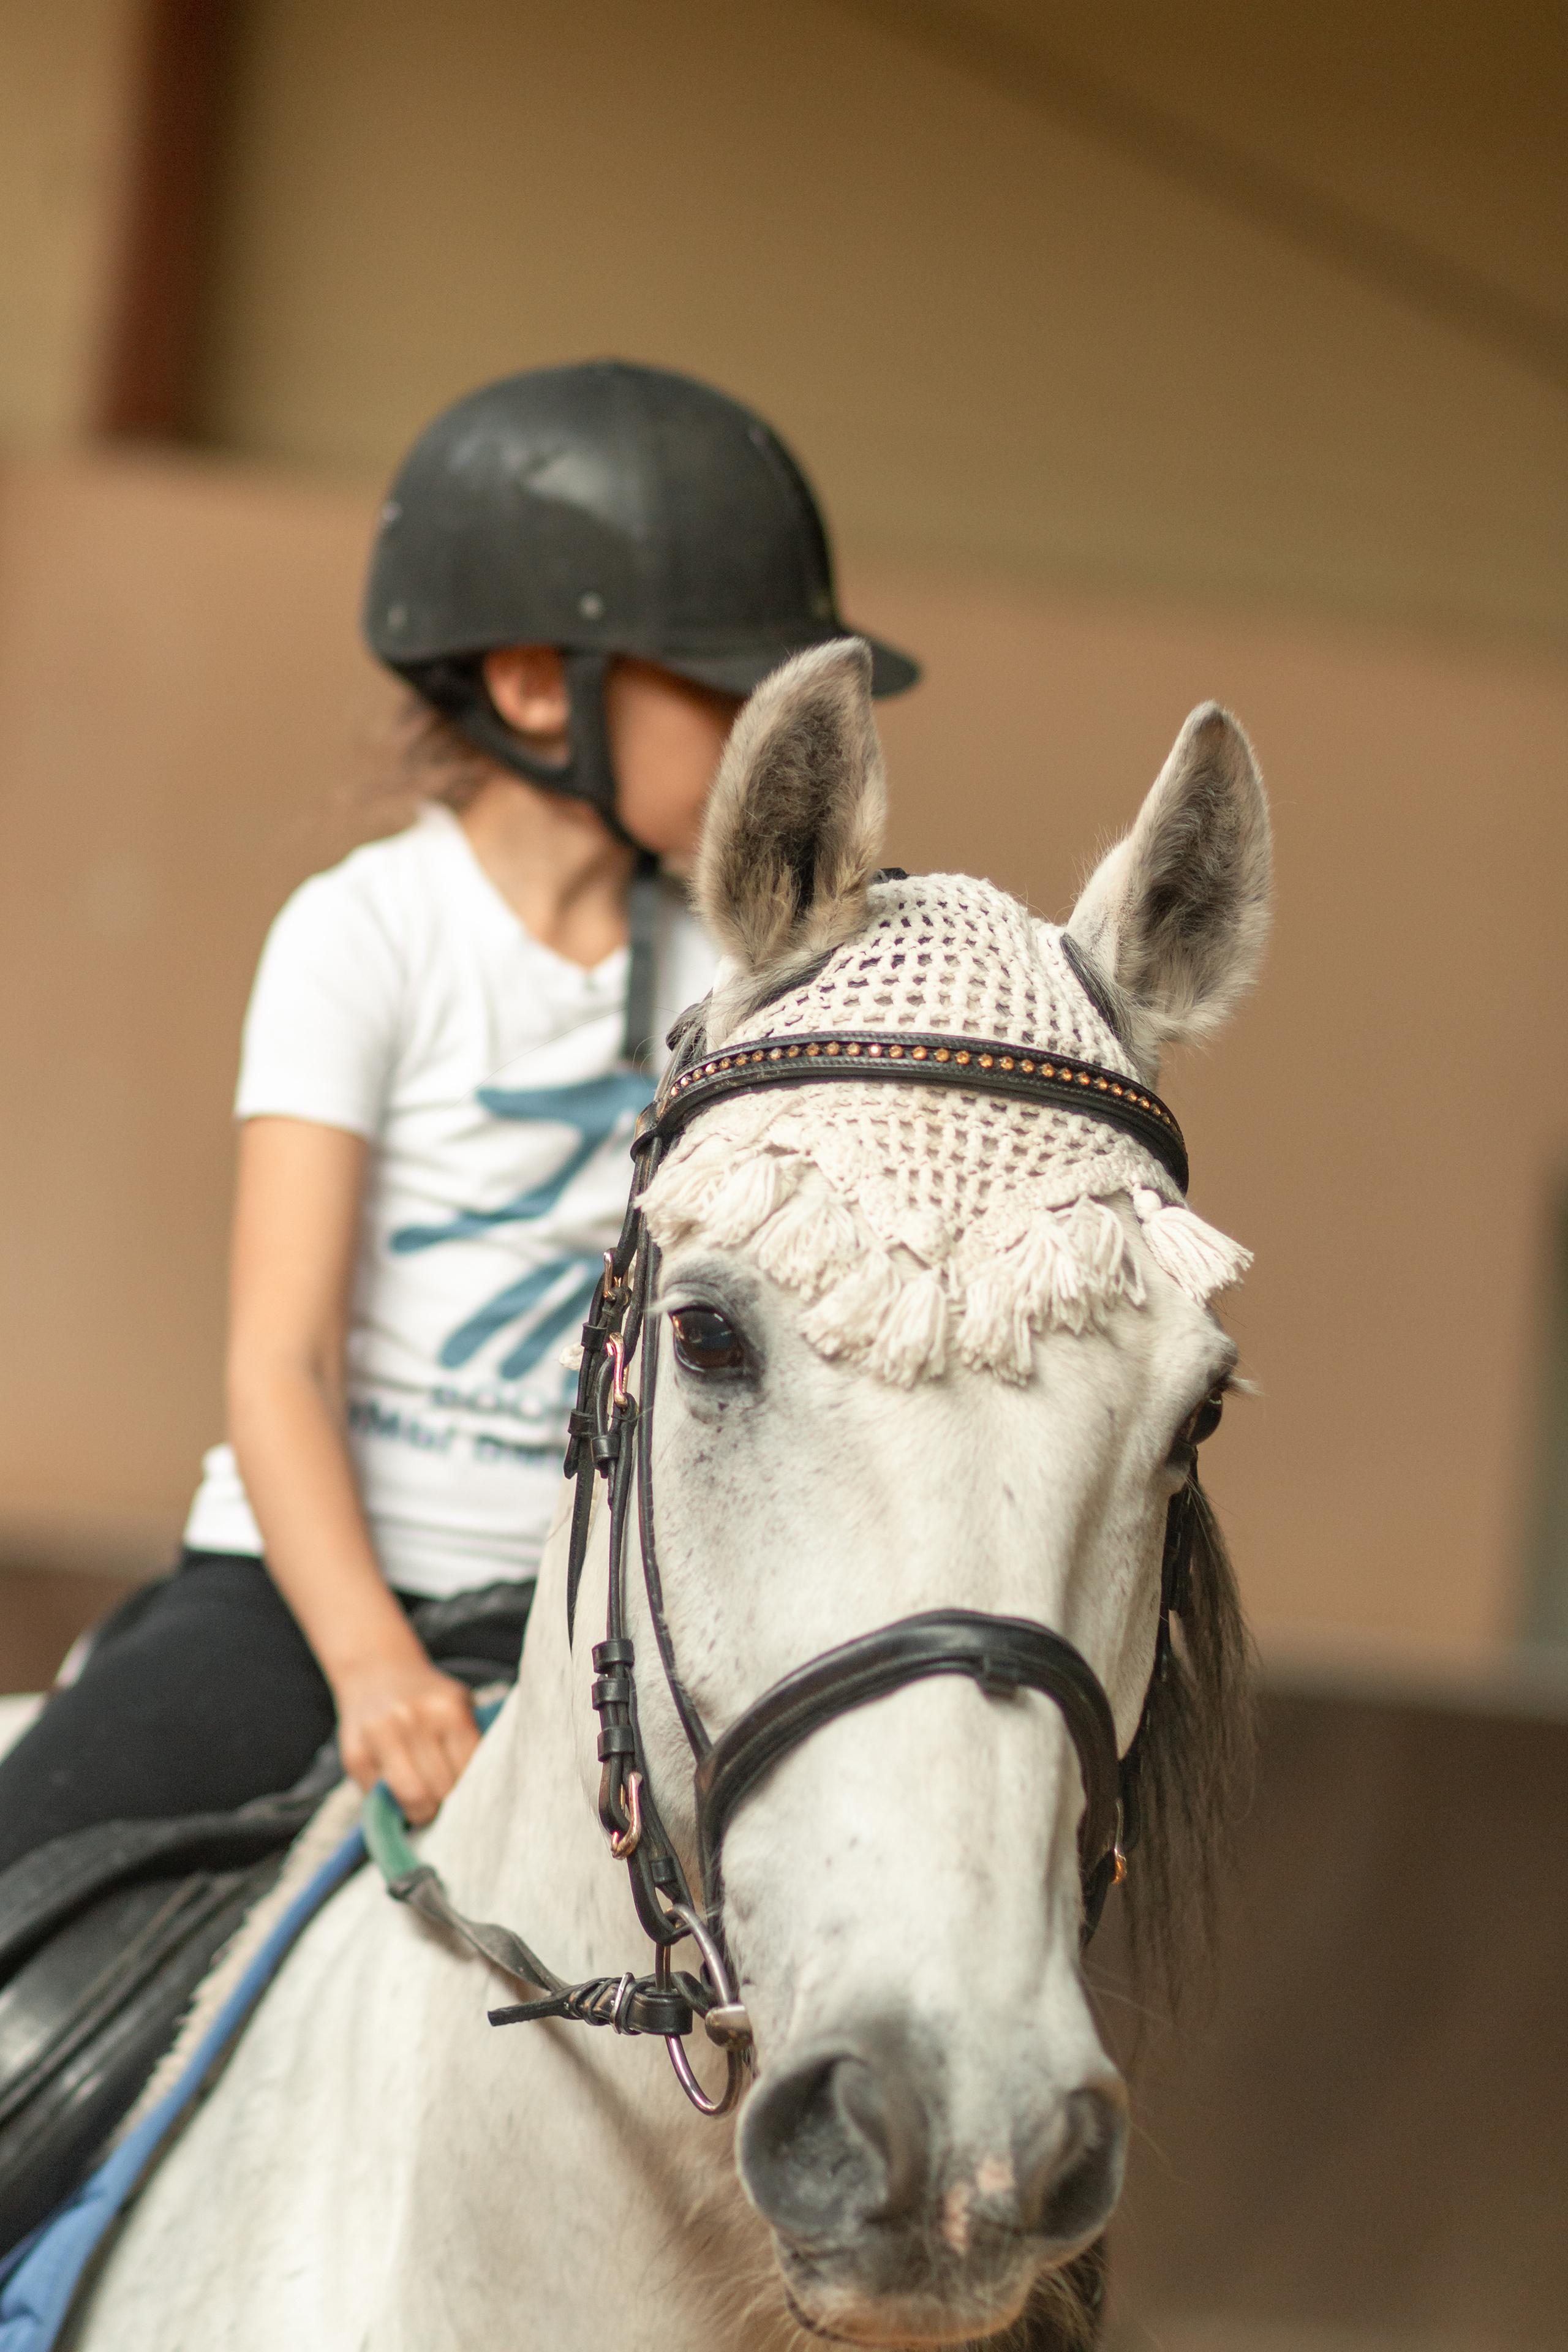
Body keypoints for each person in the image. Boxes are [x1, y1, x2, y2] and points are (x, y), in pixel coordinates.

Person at [0, 361, 918, 1872]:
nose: (771, 741)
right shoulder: (363, 931)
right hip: (306, 1602)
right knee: (30, 1864)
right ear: (537, 683)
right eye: (723, 689)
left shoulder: (732, 972)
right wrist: (368, 1662)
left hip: (605, 1616)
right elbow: (277, 1359)